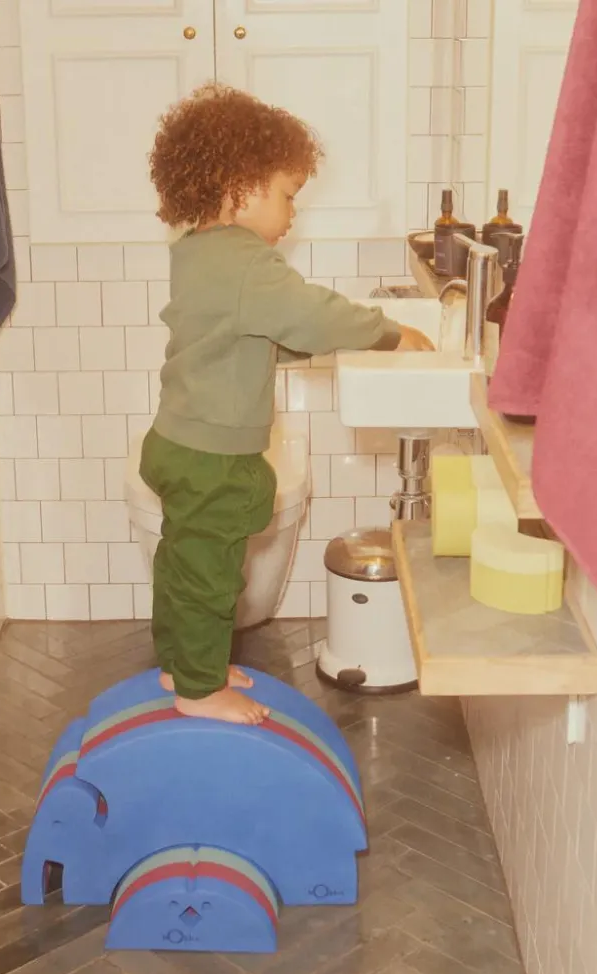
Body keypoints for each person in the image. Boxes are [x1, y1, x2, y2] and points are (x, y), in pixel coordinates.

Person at [142, 84, 435, 726]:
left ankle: (184, 663)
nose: (292, 214)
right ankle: (199, 689)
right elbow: (310, 313)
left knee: (184, 563)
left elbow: (248, 334)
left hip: (180, 441)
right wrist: (386, 332)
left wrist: (310, 345)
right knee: (211, 574)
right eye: (287, 194)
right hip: (212, 454)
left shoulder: (197, 251)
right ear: (240, 187)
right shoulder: (247, 263)